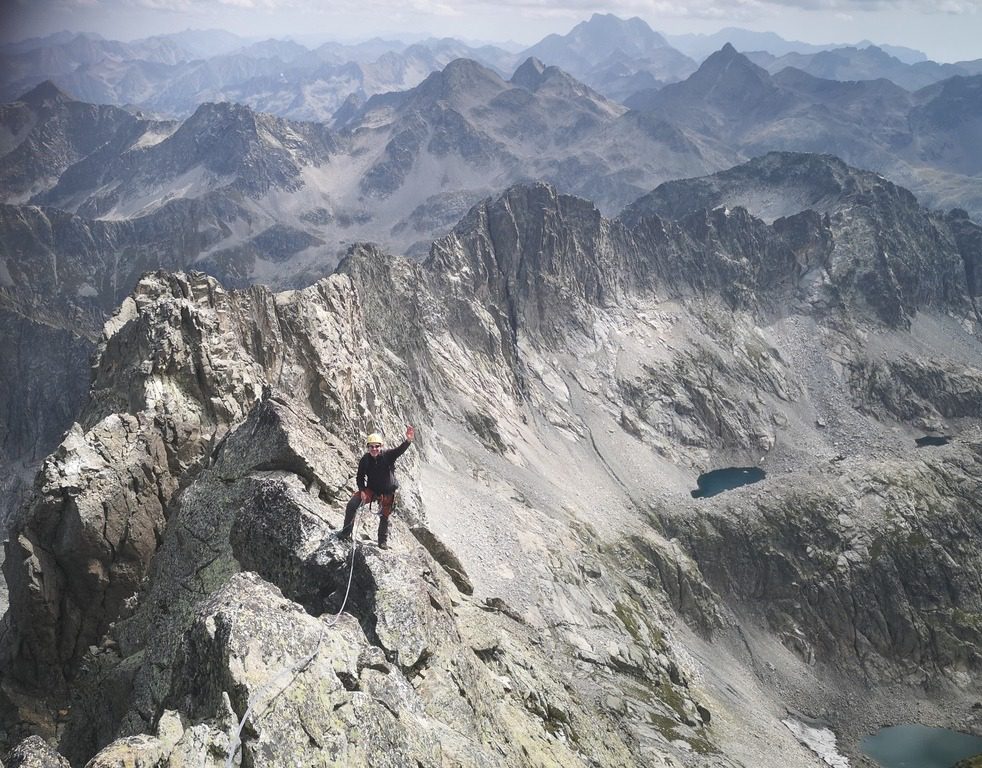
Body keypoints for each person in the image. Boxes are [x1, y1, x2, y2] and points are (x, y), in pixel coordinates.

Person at [337, 425, 415, 549]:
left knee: (384, 515)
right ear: (368, 447)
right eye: (371, 446)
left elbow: (399, 450)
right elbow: (360, 477)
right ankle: (346, 532)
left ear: (381, 446)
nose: (374, 449)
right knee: (352, 504)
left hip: (387, 491)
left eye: (377, 446)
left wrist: (408, 440)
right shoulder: (365, 460)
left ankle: (382, 541)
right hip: (371, 490)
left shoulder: (388, 456)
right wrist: (362, 491)